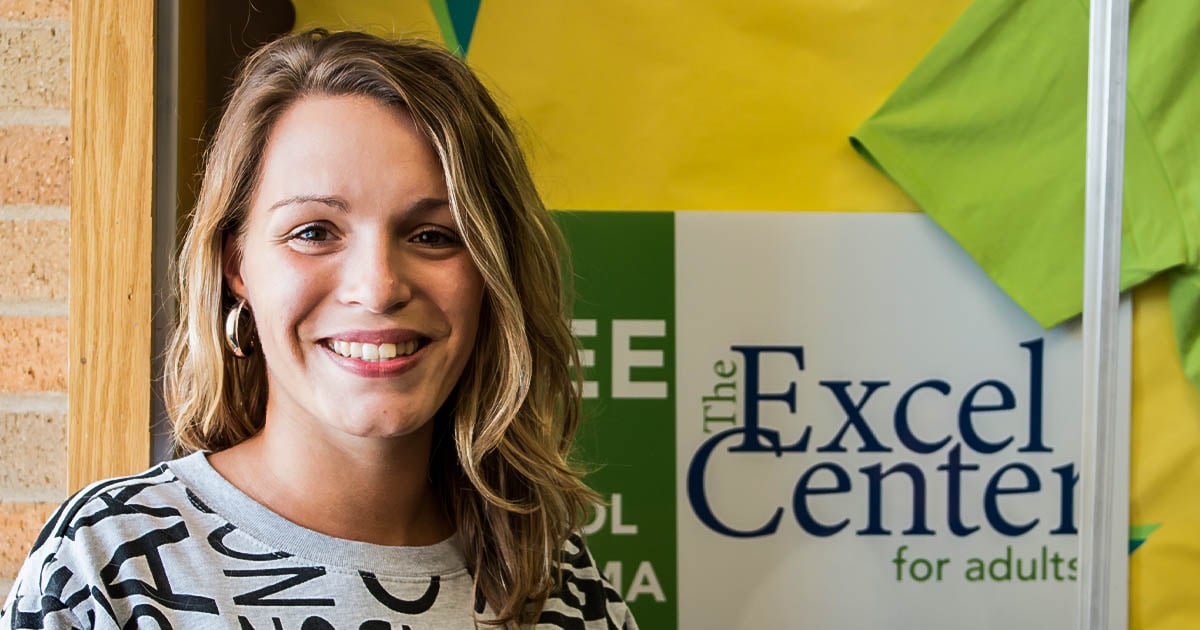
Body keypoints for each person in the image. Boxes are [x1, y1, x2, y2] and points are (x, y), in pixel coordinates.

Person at [1, 29, 637, 629]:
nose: (379, 286)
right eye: (313, 232)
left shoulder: (563, 591)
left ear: (492, 275)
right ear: (237, 267)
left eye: (432, 236)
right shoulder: (112, 565)